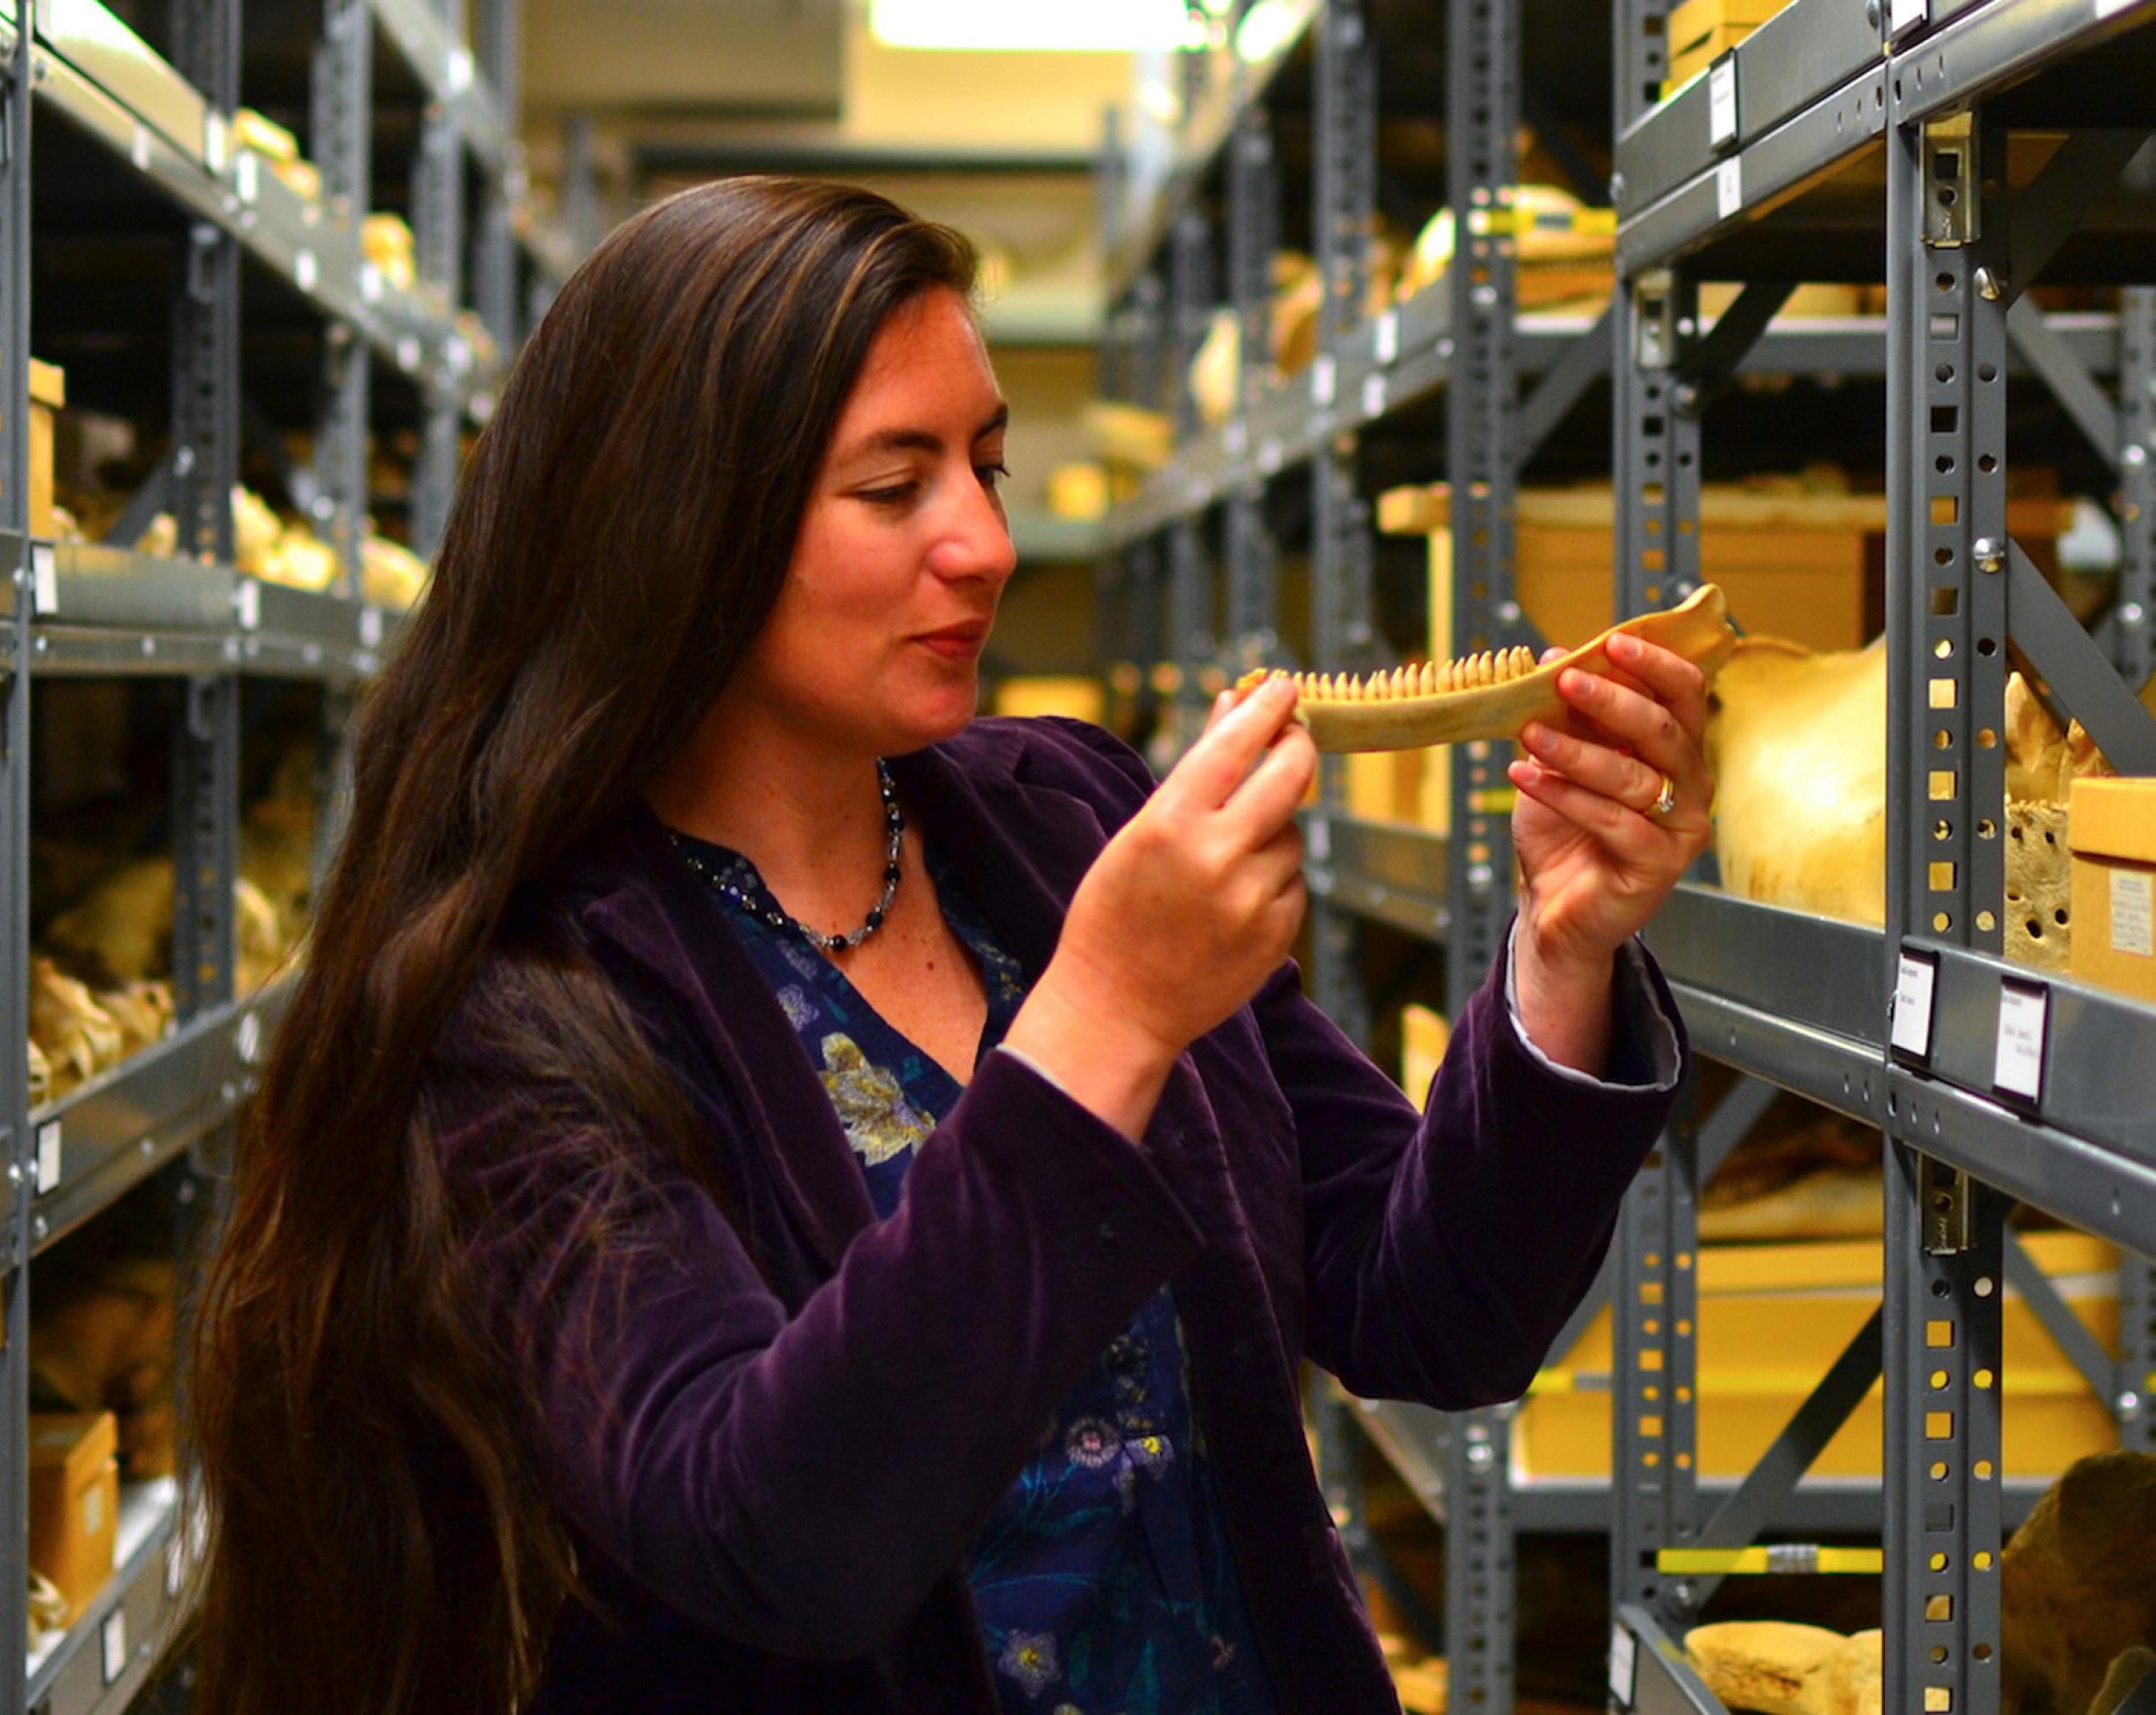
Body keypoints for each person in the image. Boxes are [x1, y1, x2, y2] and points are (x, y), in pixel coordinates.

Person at [191, 177, 1713, 1715]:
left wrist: (1561, 955)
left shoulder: (1068, 828)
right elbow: (772, 1534)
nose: (983, 543)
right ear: (683, 522)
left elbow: (1427, 1304)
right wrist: (1106, 1020)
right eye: (893, 484)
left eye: (985, 463)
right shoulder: (517, 1007)